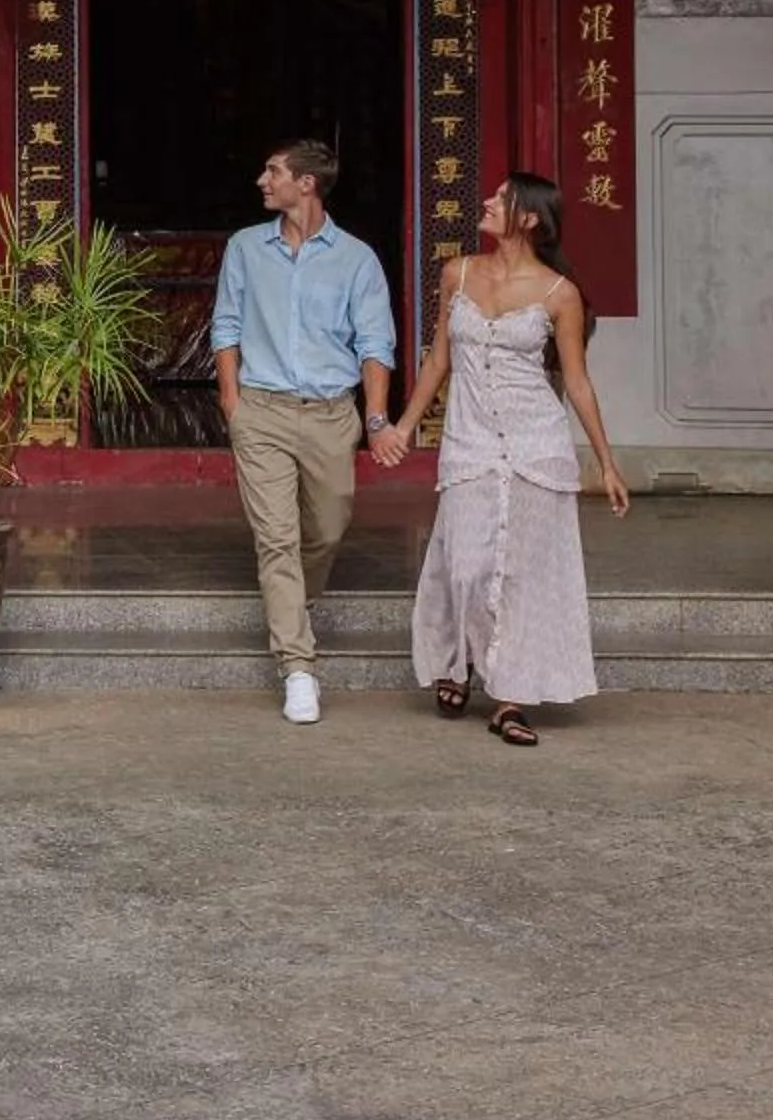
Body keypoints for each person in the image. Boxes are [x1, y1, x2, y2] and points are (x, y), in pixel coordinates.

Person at [373, 175, 631, 747]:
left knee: (521, 575)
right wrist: (404, 427)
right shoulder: (458, 273)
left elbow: (577, 383)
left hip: (538, 444)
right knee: (465, 563)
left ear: (530, 218)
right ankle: (459, 658)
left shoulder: (559, 293)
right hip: (470, 442)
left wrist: (606, 463)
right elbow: (439, 358)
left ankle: (509, 698)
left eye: (501, 197)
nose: (487, 202)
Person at [211, 140, 397, 726]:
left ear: (306, 184)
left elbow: (375, 344)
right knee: (277, 539)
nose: (262, 180)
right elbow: (227, 324)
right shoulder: (245, 247)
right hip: (261, 411)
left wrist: (375, 419)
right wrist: (232, 402)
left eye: (274, 172)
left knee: (328, 522)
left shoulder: (357, 259)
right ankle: (298, 667)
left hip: (329, 413)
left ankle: (295, 599)